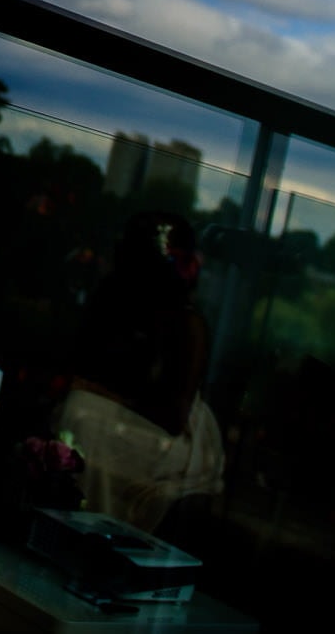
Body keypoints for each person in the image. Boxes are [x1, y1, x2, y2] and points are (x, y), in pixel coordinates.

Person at [54, 211, 226, 532]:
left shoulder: (187, 324)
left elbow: (172, 415)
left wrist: (99, 394)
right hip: (122, 417)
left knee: (81, 417)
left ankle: (86, 533)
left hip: (174, 439)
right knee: (74, 413)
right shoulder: (120, 303)